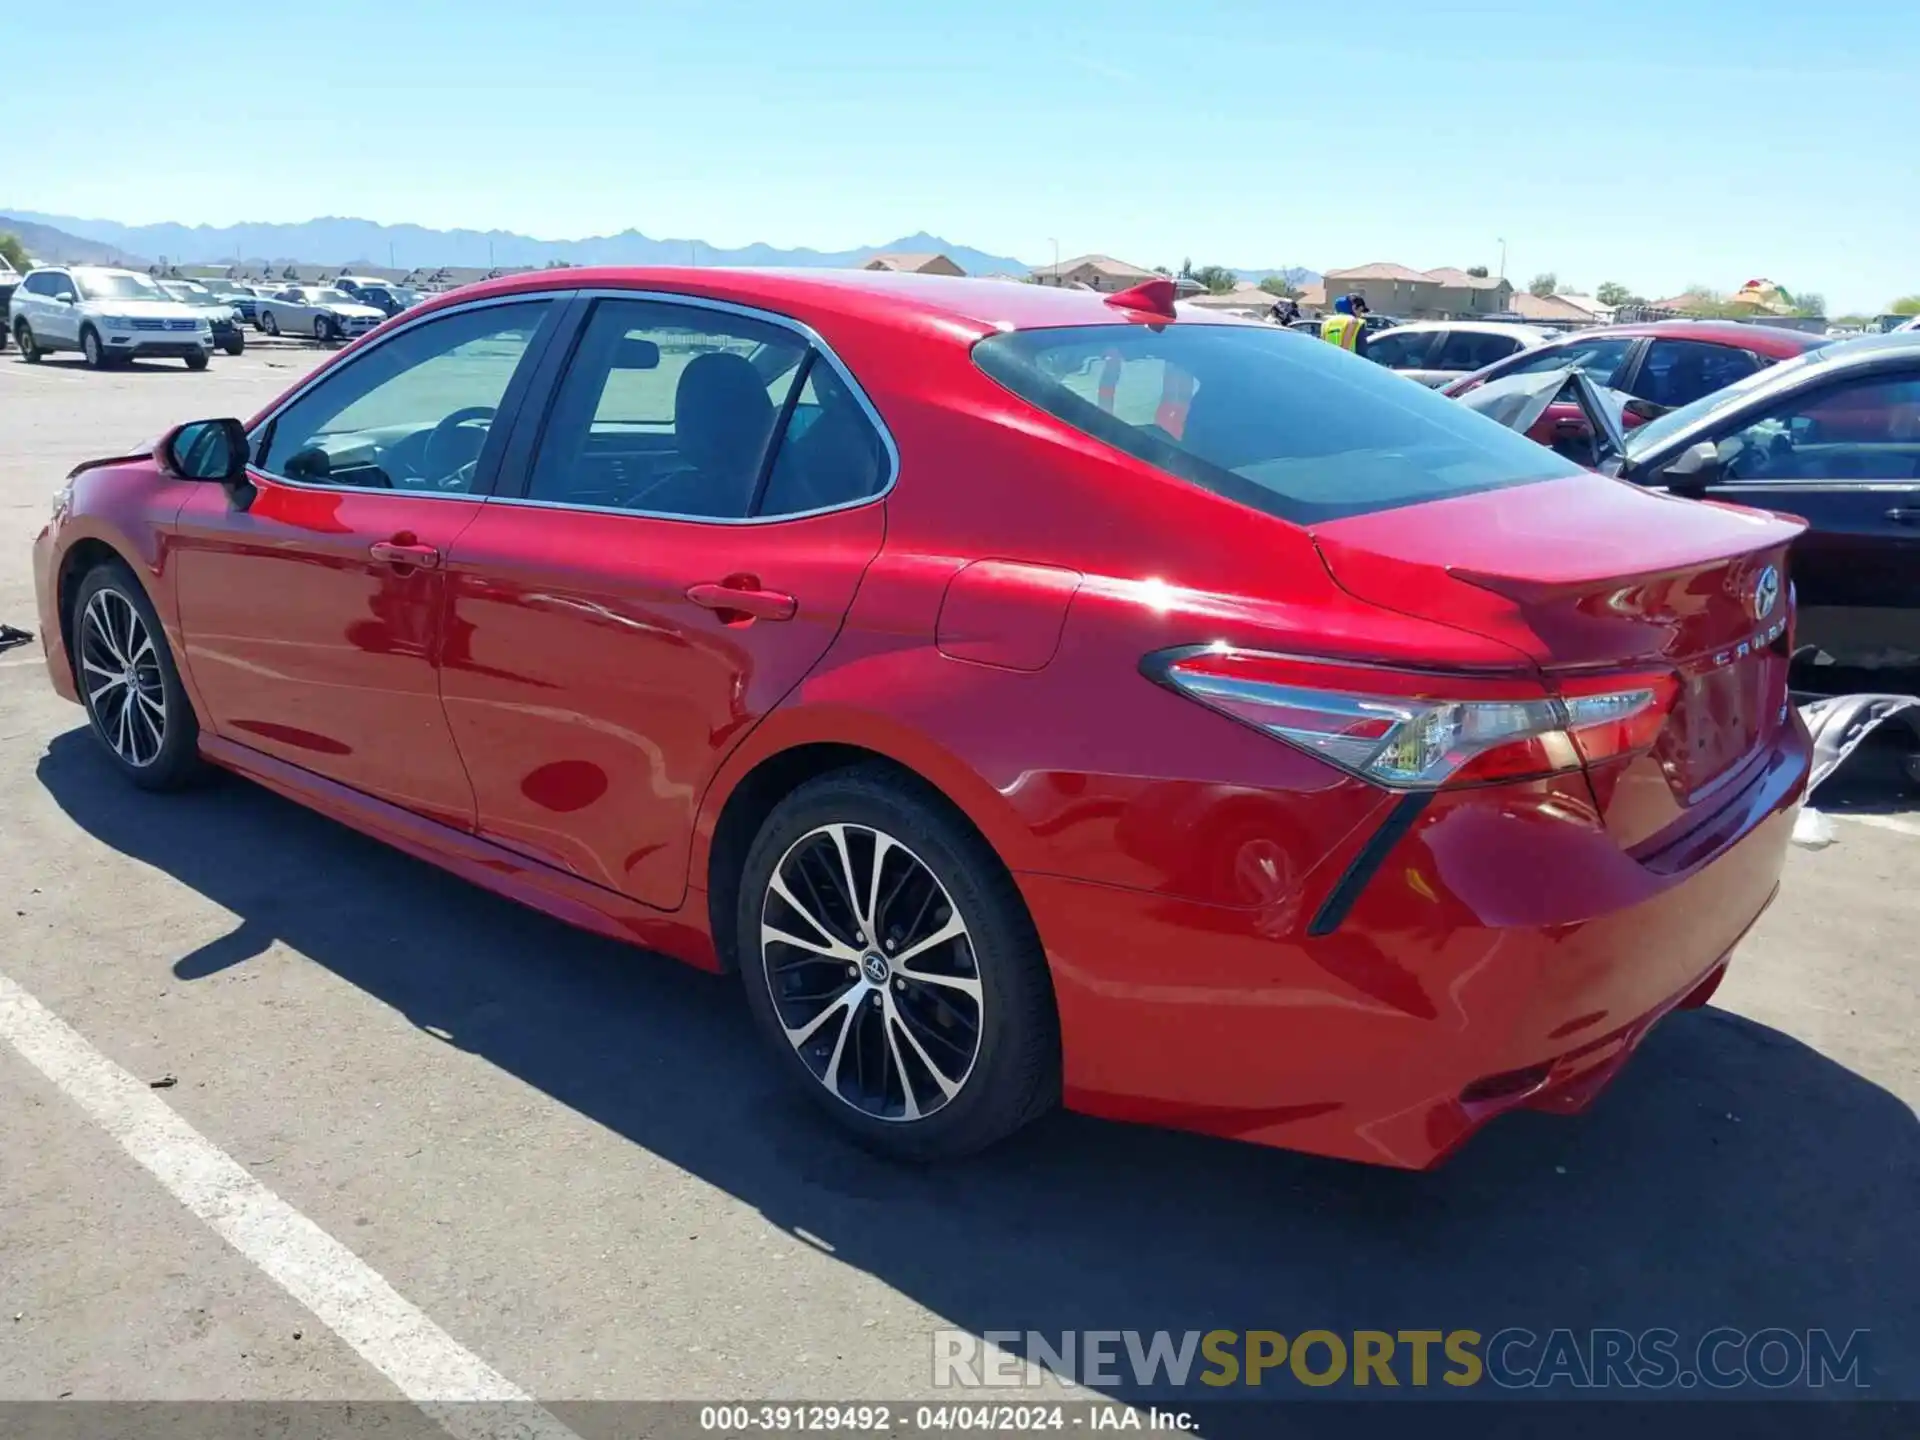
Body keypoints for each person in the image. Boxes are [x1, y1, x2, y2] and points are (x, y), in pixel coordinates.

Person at [1320, 293, 1370, 358]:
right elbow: (1362, 351)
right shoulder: (1356, 322)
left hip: (1330, 363)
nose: (1360, 315)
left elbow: (1322, 347)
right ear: (1354, 307)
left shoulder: (1326, 323)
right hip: (1350, 363)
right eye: (1360, 311)